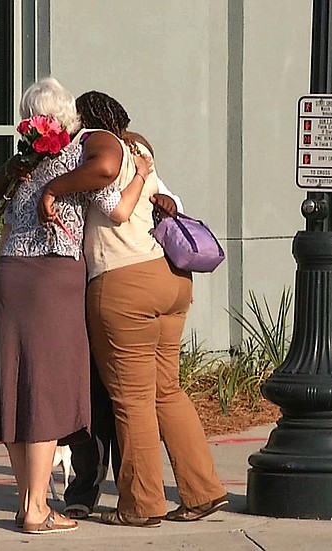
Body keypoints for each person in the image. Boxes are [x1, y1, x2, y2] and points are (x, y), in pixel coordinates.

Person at [40, 90, 228, 527]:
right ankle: (203, 491)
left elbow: (104, 183)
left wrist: (53, 185)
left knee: (132, 401)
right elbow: (164, 196)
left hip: (123, 281)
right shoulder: (138, 149)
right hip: (169, 279)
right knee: (168, 391)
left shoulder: (94, 149)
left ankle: (141, 505)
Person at [0, 77, 152, 534]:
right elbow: (116, 208)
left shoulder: (25, 161)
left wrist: (22, 166)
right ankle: (38, 508)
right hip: (53, 277)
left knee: (16, 390)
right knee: (45, 390)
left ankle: (27, 502)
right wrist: (139, 176)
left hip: (10, 275)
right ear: (68, 117)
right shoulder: (76, 152)